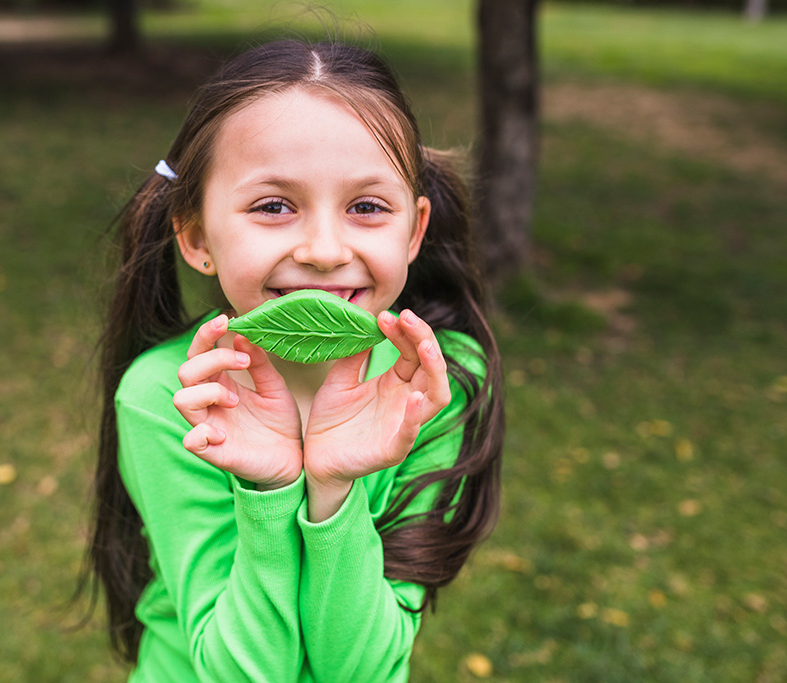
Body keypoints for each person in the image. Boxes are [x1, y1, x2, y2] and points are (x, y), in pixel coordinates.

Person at [83, 39, 505, 682]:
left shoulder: (433, 386)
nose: (324, 249)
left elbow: (359, 669)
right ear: (197, 235)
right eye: (273, 206)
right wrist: (271, 490)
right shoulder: (171, 397)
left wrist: (333, 489)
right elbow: (242, 672)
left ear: (413, 231)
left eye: (366, 207)